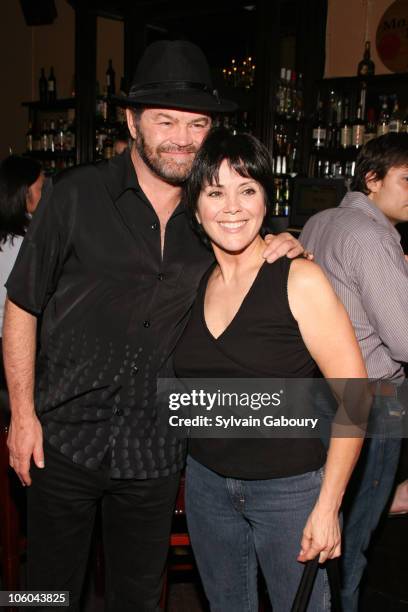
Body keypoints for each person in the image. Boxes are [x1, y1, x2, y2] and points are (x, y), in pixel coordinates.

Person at [2, 41, 304, 611]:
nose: (183, 138)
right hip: (62, 436)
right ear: (132, 121)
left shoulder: (213, 212)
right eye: (165, 121)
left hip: (157, 446)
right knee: (45, 588)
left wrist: (287, 242)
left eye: (196, 123)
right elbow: (22, 305)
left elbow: (254, 247)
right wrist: (22, 415)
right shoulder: (75, 195)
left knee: (138, 596)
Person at [174, 128, 367, 611]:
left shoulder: (299, 277)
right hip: (206, 486)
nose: (232, 207)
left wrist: (329, 505)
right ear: (196, 208)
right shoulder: (192, 281)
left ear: (267, 198)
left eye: (247, 190)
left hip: (289, 492)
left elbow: (359, 397)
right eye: (215, 192)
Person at [300, 132, 408, 611]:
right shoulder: (372, 237)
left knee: (325, 525)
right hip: (375, 400)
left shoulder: (321, 220)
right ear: (372, 179)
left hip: (322, 394)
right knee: (355, 536)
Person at [0, 155, 44, 384]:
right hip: (18, 346)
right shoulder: (32, 241)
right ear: (25, 195)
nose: (46, 195)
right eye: (42, 189)